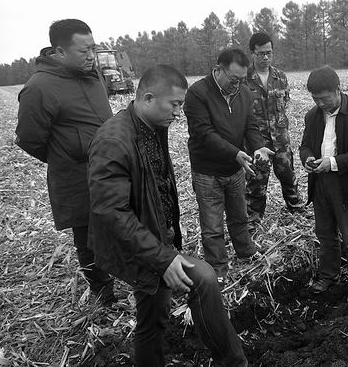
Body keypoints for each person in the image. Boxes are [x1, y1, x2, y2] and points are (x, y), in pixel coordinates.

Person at [88, 65, 247, 367]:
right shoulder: (113, 141)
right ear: (148, 98)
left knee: (153, 317)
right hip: (138, 245)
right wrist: (162, 258)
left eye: (180, 105)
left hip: (155, 240)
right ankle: (234, 362)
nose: (178, 113)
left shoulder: (151, 126)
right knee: (203, 279)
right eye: (174, 104)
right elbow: (112, 212)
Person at [15, 19, 115, 304]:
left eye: (93, 48)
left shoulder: (92, 75)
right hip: (77, 178)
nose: (92, 56)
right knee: (88, 237)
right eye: (84, 51)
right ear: (59, 52)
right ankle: (103, 293)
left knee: (120, 224)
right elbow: (29, 139)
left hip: (112, 169)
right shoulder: (39, 88)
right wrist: (69, 154)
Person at [184, 48, 273, 285]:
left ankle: (245, 250)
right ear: (218, 70)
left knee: (239, 215)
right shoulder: (198, 94)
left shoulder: (243, 92)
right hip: (207, 171)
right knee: (212, 225)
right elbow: (204, 133)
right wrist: (235, 153)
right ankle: (218, 267)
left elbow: (250, 125)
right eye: (234, 79)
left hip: (235, 168)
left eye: (242, 80)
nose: (238, 85)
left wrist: (258, 147)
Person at [299, 66, 348, 305]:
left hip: (347, 186)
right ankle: (328, 275)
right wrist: (307, 158)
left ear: (338, 89)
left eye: (324, 98)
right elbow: (305, 145)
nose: (320, 103)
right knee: (325, 234)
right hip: (320, 184)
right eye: (315, 99)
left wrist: (332, 163)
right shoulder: (312, 116)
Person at [244, 33, 304, 234]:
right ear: (252, 53)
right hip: (257, 141)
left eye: (269, 53)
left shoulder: (280, 77)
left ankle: (296, 208)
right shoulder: (244, 80)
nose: (265, 57)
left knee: (288, 175)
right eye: (261, 53)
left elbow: (284, 105)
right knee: (256, 181)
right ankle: (253, 219)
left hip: (280, 139)